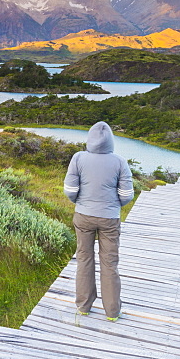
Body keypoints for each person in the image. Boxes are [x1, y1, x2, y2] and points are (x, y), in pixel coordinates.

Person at [62, 121, 134, 321]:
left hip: (83, 216)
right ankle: (112, 312)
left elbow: (69, 190)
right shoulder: (120, 161)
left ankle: (84, 307)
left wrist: (81, 203)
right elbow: (127, 194)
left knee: (84, 259)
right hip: (110, 218)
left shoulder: (78, 158)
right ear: (111, 140)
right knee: (109, 263)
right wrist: (114, 205)